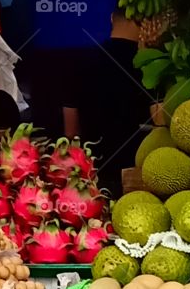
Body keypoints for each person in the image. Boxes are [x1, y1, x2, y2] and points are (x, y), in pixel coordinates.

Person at [59, 11, 154, 199]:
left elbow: (70, 132)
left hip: (93, 175)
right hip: (141, 176)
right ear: (143, 21)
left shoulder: (81, 62)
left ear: (111, 18)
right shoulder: (150, 65)